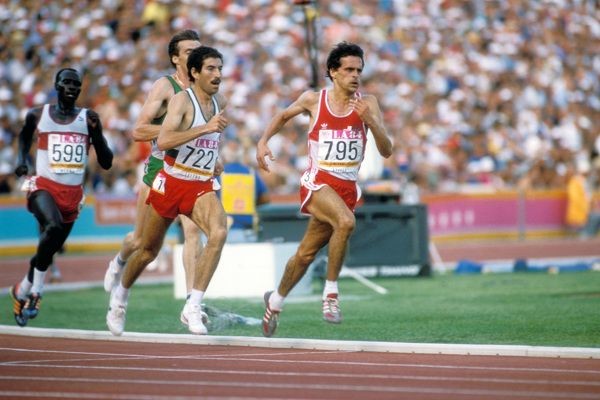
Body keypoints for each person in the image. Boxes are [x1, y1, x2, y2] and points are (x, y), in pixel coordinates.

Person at [256, 42, 392, 337]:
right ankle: (330, 295)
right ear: (333, 72)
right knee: (346, 222)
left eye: (359, 70)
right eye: (349, 70)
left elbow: (387, 150)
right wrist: (263, 141)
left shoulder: (368, 103)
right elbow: (282, 116)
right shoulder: (314, 100)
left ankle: (275, 301)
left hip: (346, 188)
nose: (355, 76)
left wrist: (371, 121)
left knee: (305, 254)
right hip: (318, 182)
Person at [106, 46, 229, 336]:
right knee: (148, 251)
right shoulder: (180, 100)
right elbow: (164, 140)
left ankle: (193, 305)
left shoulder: (220, 101)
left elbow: (209, 140)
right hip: (171, 182)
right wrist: (204, 129)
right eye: (211, 69)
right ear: (195, 72)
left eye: (220, 69)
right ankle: (120, 297)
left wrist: (214, 159)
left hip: (200, 184)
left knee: (218, 233)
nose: (217, 75)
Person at [10, 68, 113, 326]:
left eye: (76, 84)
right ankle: (37, 292)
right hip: (43, 187)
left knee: (49, 247)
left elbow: (107, 162)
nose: (71, 87)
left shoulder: (88, 118)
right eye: (66, 82)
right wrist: (22, 160)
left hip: (72, 195)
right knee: (53, 228)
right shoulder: (38, 114)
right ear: (56, 85)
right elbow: (24, 137)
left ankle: (21, 290)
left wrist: (97, 134)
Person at [219, 138, 270, 241]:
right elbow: (265, 198)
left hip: (224, 229)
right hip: (249, 230)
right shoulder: (251, 173)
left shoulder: (219, 174)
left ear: (224, 155)